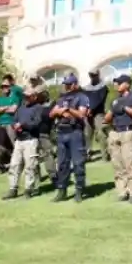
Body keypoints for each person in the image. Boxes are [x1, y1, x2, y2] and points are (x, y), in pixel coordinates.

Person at [50, 74, 90, 202]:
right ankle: (62, 190)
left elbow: (81, 114)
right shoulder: (61, 98)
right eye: (66, 84)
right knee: (62, 164)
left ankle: (79, 189)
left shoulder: (82, 97)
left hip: (75, 133)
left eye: (69, 84)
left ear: (75, 84)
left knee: (78, 163)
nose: (67, 86)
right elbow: (52, 113)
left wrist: (68, 110)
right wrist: (60, 111)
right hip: (62, 132)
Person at [105, 75, 132, 204]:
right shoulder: (115, 100)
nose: (116, 85)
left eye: (119, 83)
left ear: (127, 84)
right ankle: (122, 191)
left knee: (129, 163)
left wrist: (125, 108)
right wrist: (112, 111)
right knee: (117, 163)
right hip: (115, 132)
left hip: (128, 131)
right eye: (115, 83)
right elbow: (107, 118)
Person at [2, 87, 43, 200]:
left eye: (28, 96)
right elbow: (14, 120)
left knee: (30, 165)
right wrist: (15, 125)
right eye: (25, 96)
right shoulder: (21, 107)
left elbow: (36, 123)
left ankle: (29, 189)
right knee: (14, 164)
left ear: (34, 97)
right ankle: (13, 188)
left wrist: (23, 125)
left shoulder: (38, 108)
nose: (26, 98)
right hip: (19, 140)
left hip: (31, 139)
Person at [82, 70, 109, 162]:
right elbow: (84, 100)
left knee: (101, 133)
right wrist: (86, 109)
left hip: (99, 113)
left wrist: (91, 109)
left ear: (98, 75)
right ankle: (86, 155)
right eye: (91, 75)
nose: (92, 77)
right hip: (87, 114)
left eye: (94, 75)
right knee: (86, 135)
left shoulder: (103, 87)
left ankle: (105, 155)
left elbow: (99, 99)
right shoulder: (86, 88)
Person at [0, 78, 20, 167]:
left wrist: (1, 109)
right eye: (3, 87)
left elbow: (13, 110)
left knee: (14, 143)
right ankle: (2, 163)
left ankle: (18, 162)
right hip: (0, 123)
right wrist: (6, 107)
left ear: (10, 87)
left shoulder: (15, 98)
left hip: (10, 123)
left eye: (6, 86)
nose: (5, 88)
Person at [35, 84, 56, 182]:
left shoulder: (51, 103)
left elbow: (49, 116)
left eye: (39, 94)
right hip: (33, 133)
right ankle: (36, 177)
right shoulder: (33, 104)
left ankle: (53, 175)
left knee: (48, 153)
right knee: (33, 156)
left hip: (46, 133)